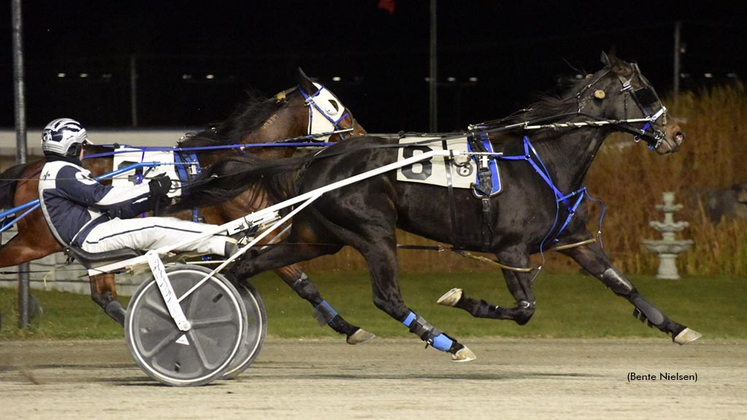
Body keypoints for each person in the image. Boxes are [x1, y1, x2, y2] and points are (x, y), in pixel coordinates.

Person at [37, 118, 237, 259]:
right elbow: (102, 198)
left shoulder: (59, 171)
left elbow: (113, 210)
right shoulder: (61, 172)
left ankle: (219, 239)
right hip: (90, 237)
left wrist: (149, 201)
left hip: (95, 231)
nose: (83, 152)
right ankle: (221, 242)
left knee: (161, 224)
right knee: (155, 228)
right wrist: (149, 187)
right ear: (71, 148)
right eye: (81, 146)